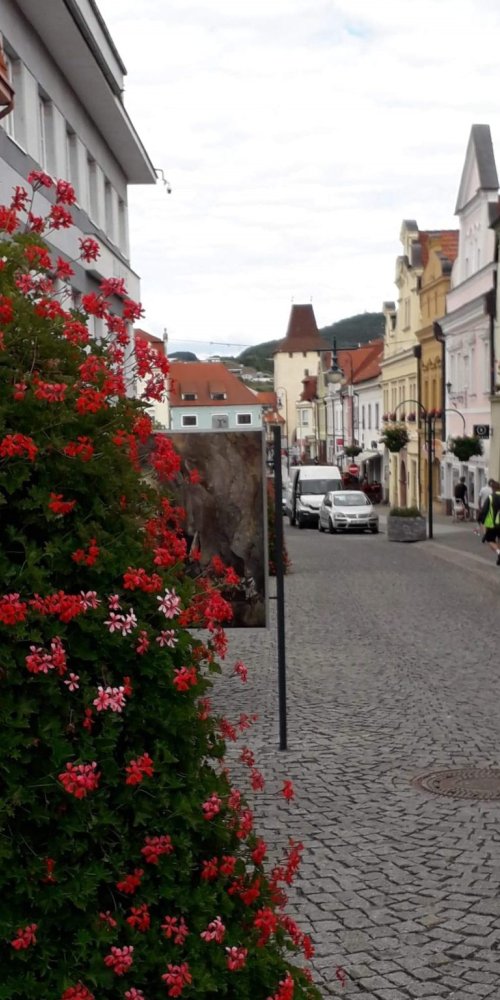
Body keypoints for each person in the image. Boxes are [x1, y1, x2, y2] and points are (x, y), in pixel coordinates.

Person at [478, 481, 500, 564]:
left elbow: (484, 510)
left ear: (493, 489)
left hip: (492, 524)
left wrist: (480, 519)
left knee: (490, 540)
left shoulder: (491, 497)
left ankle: (499, 553)